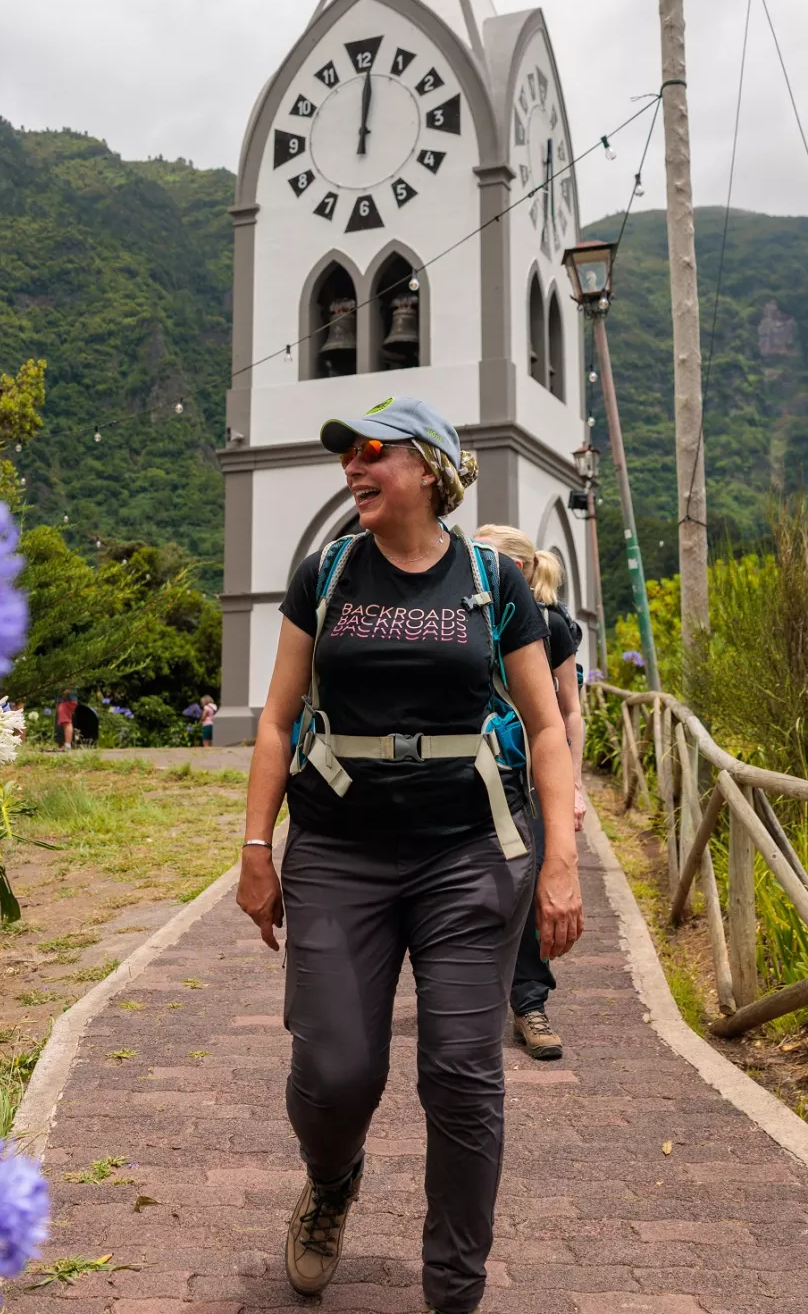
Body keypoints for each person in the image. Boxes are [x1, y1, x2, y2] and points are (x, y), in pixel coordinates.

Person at [236, 398, 583, 1314]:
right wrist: (254, 847)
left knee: (463, 1078)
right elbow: (275, 720)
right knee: (337, 1069)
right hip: (339, 851)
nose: (353, 466)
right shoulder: (328, 573)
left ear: (429, 468)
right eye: (346, 455)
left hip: (468, 855)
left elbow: (546, 728)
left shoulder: (491, 583)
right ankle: (332, 1178)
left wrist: (561, 859)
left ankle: (454, 1293)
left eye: (372, 452)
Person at [474, 528, 586, 1062]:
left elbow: (568, 714)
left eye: (486, 556)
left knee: (533, 883)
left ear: (517, 567)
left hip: (533, 776)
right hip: (468, 775)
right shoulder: (464, 614)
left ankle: (529, 1001)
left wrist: (575, 787)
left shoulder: (549, 624)